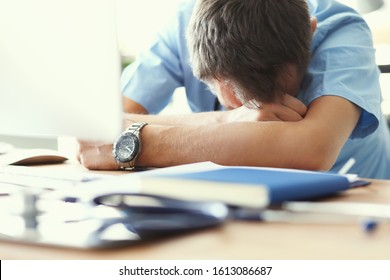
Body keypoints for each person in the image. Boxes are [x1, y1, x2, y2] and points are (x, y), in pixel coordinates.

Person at [78, 0, 390, 179]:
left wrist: (137, 140)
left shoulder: (342, 30)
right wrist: (225, 121)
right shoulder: (184, 25)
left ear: (309, 34)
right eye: (229, 102)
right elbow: (89, 132)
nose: (257, 114)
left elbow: (310, 150)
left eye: (267, 98)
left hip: (352, 215)